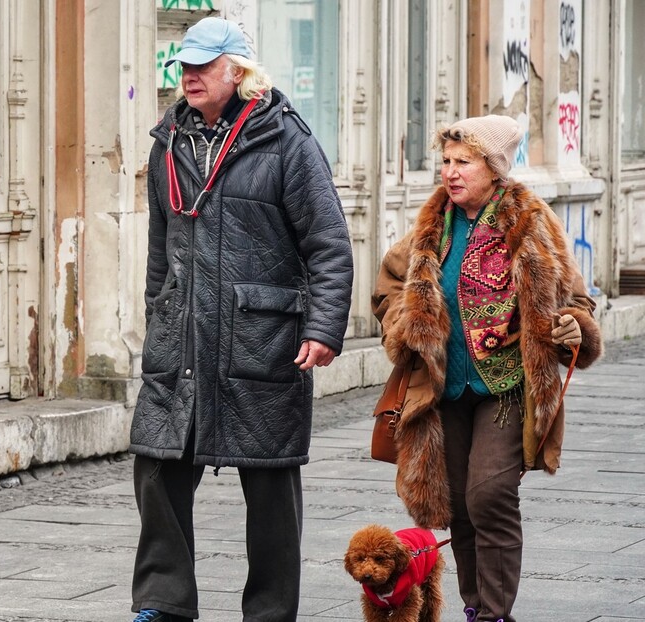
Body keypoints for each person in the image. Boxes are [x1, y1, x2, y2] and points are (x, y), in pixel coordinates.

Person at [129, 17, 354, 622]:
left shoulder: (286, 141)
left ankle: (271, 612)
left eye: (205, 64)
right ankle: (163, 603)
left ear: (240, 71)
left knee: (271, 484)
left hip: (262, 335)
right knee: (158, 467)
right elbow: (162, 246)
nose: (191, 75)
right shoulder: (168, 140)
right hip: (180, 340)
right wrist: (158, 317)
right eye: (185, 65)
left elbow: (329, 244)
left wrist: (323, 327)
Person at [371, 115, 603, 622]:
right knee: (455, 503)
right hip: (442, 388)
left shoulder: (530, 223)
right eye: (446, 162)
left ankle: (497, 613)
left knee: (489, 494)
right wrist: (403, 320)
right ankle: (475, 606)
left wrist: (573, 328)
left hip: (507, 388)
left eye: (463, 163)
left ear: (494, 169)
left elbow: (578, 301)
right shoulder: (432, 225)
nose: (450, 173)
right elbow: (388, 284)